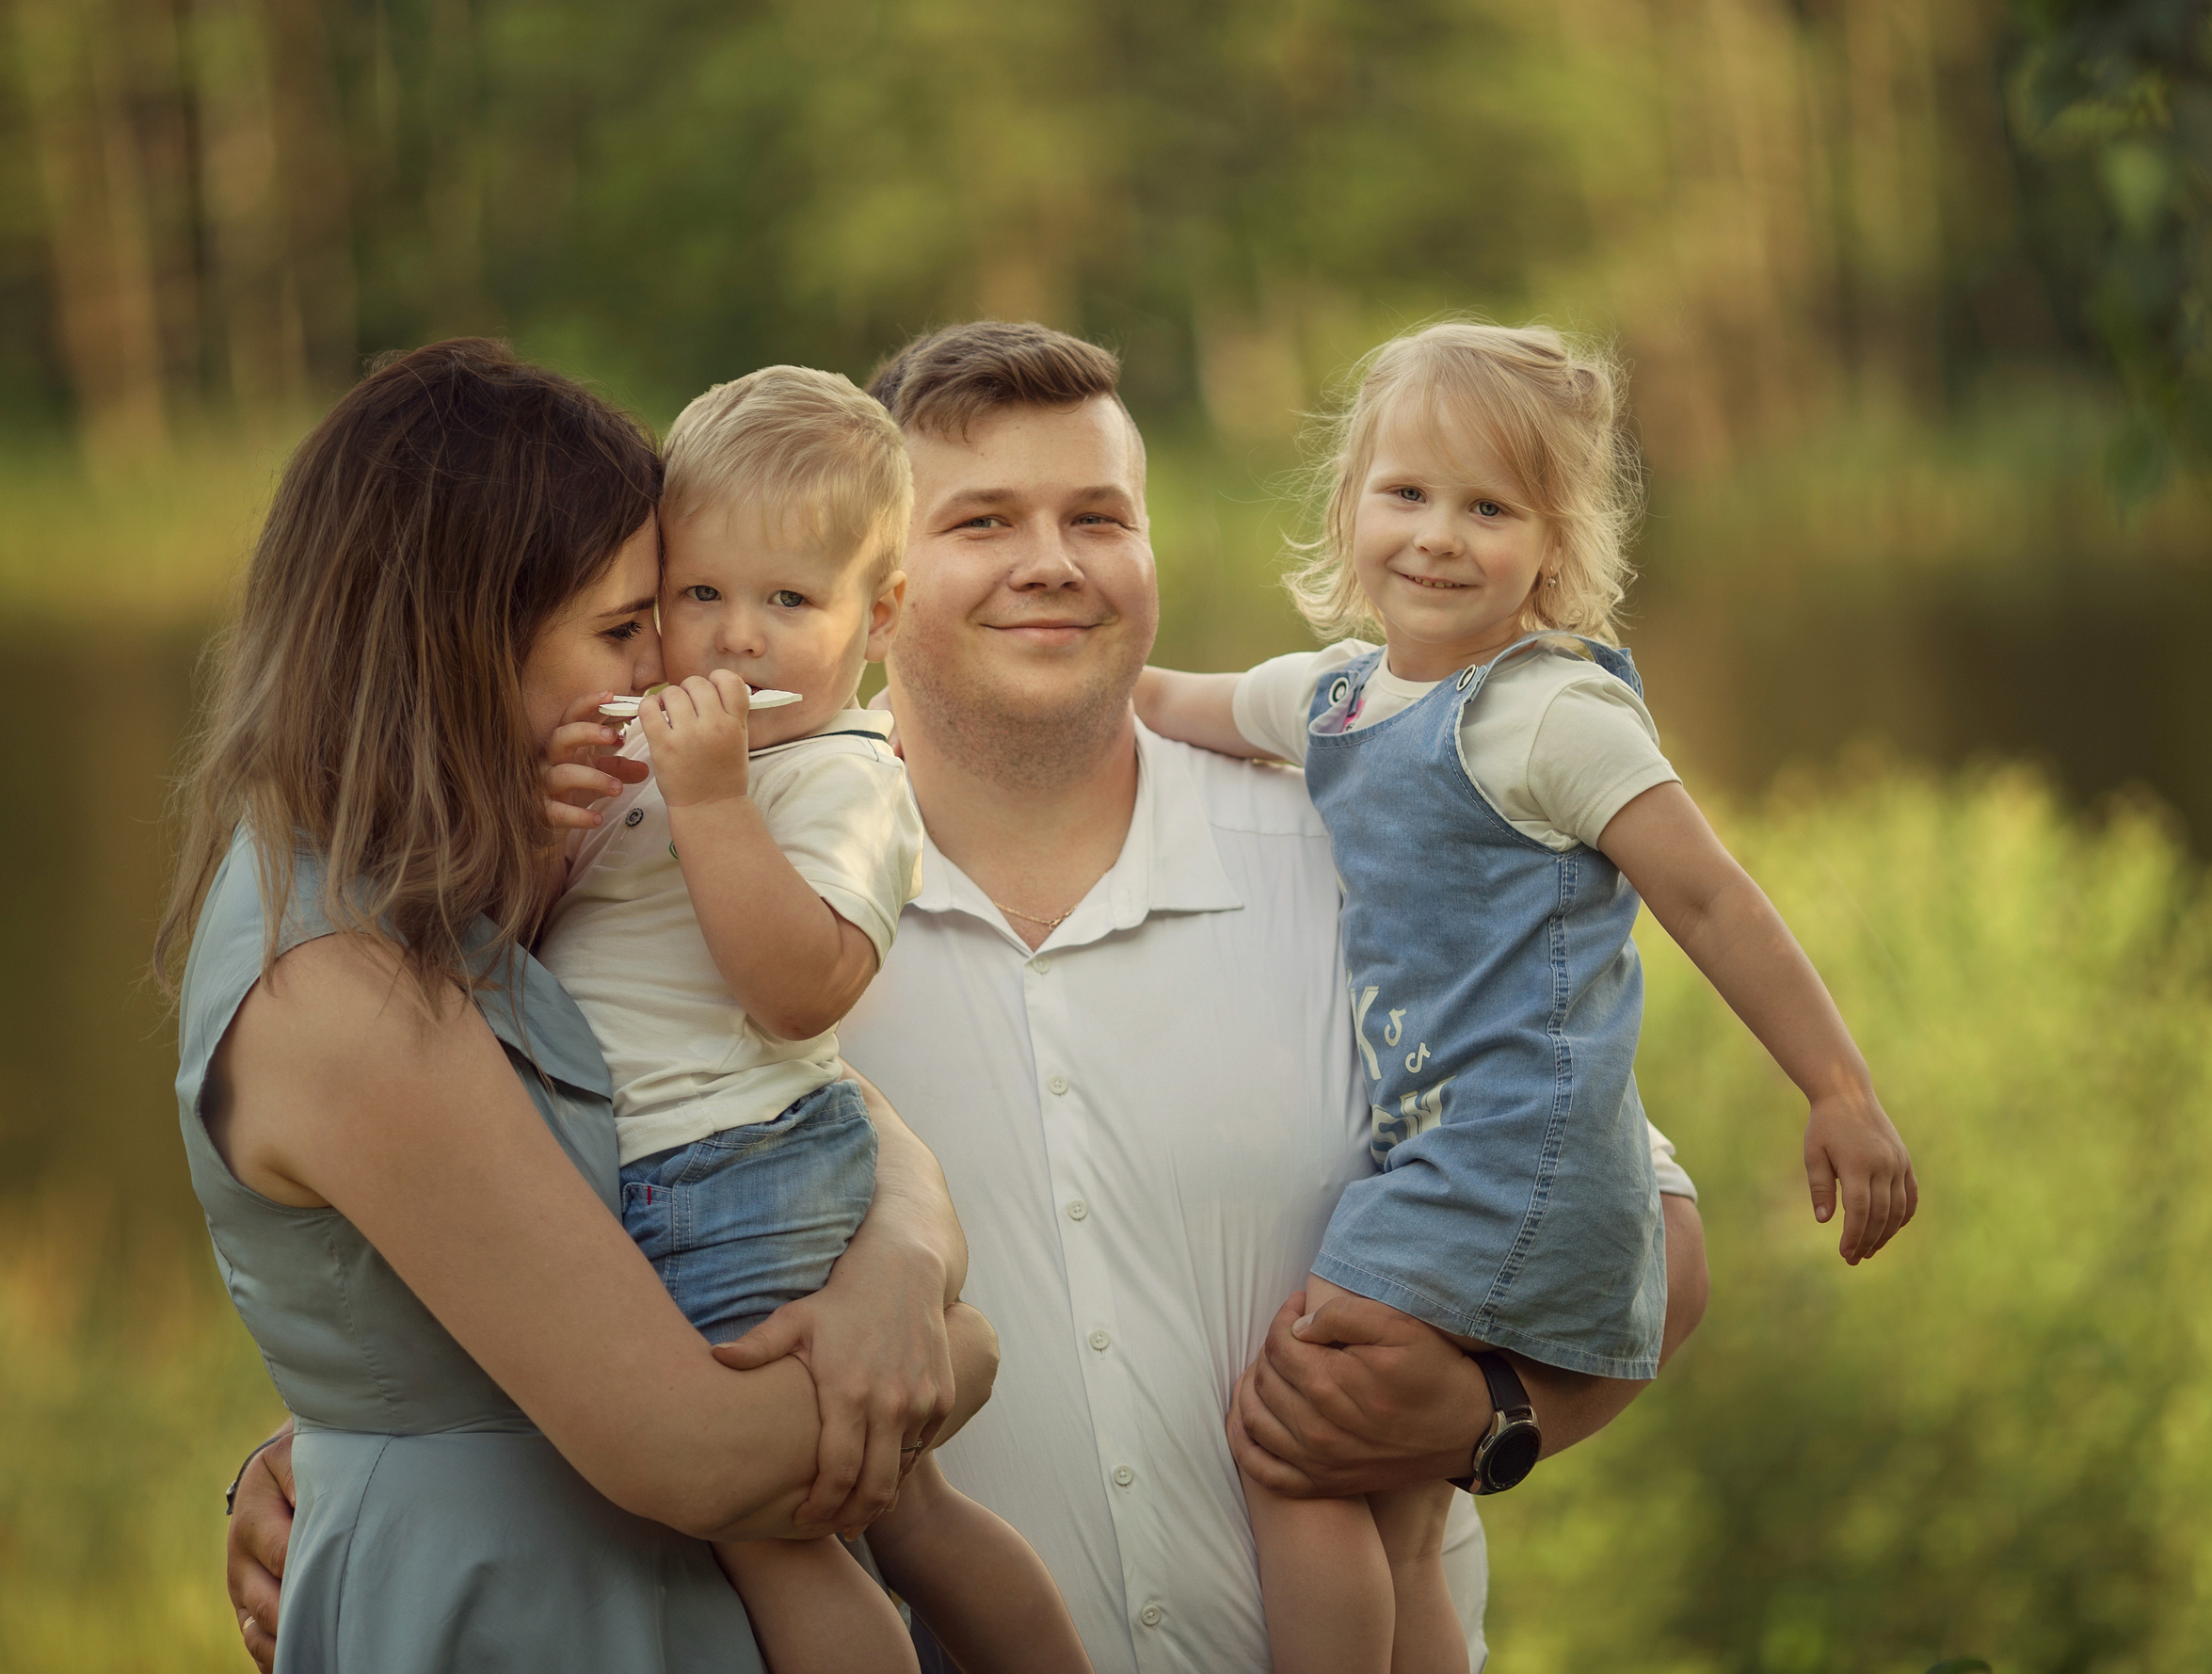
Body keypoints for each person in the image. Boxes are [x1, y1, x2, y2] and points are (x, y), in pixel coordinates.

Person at [227, 322, 1715, 1673]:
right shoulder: (673, 881)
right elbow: (524, 1218)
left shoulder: (1363, 839)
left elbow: (1638, 1230)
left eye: (1098, 518)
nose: (1050, 561)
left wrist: (1492, 1416)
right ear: (883, 587)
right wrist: (346, 1449)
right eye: (983, 521)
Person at [168, 338, 998, 1673]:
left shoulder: (461, 874)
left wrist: (898, 1258)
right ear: (465, 634)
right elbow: (690, 1444)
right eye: (630, 626)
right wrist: (961, 1358)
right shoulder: (335, 980)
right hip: (522, 1609)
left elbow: (759, 1084)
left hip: (641, 1581)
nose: (662, 666)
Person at [1134, 320, 1919, 1673]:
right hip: (1459, 1153)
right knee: (1397, 1508)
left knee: (1301, 1433)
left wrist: (1838, 1088)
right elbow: (1156, 699)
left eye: (1487, 507)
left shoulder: (1545, 715)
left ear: (1551, 547)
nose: (1439, 536)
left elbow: (1713, 897)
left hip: (1518, 1162)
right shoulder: (1332, 697)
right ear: (1352, 505)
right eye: (1408, 494)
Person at [539, 365, 1089, 1674]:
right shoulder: (676, 759)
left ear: (880, 614)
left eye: (788, 600)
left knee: (774, 1530)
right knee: (905, 1514)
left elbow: (798, 989)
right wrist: (550, 810)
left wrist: (713, 804)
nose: (734, 638)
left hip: (728, 1176)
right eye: (699, 595)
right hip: (667, 1168)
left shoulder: (840, 778)